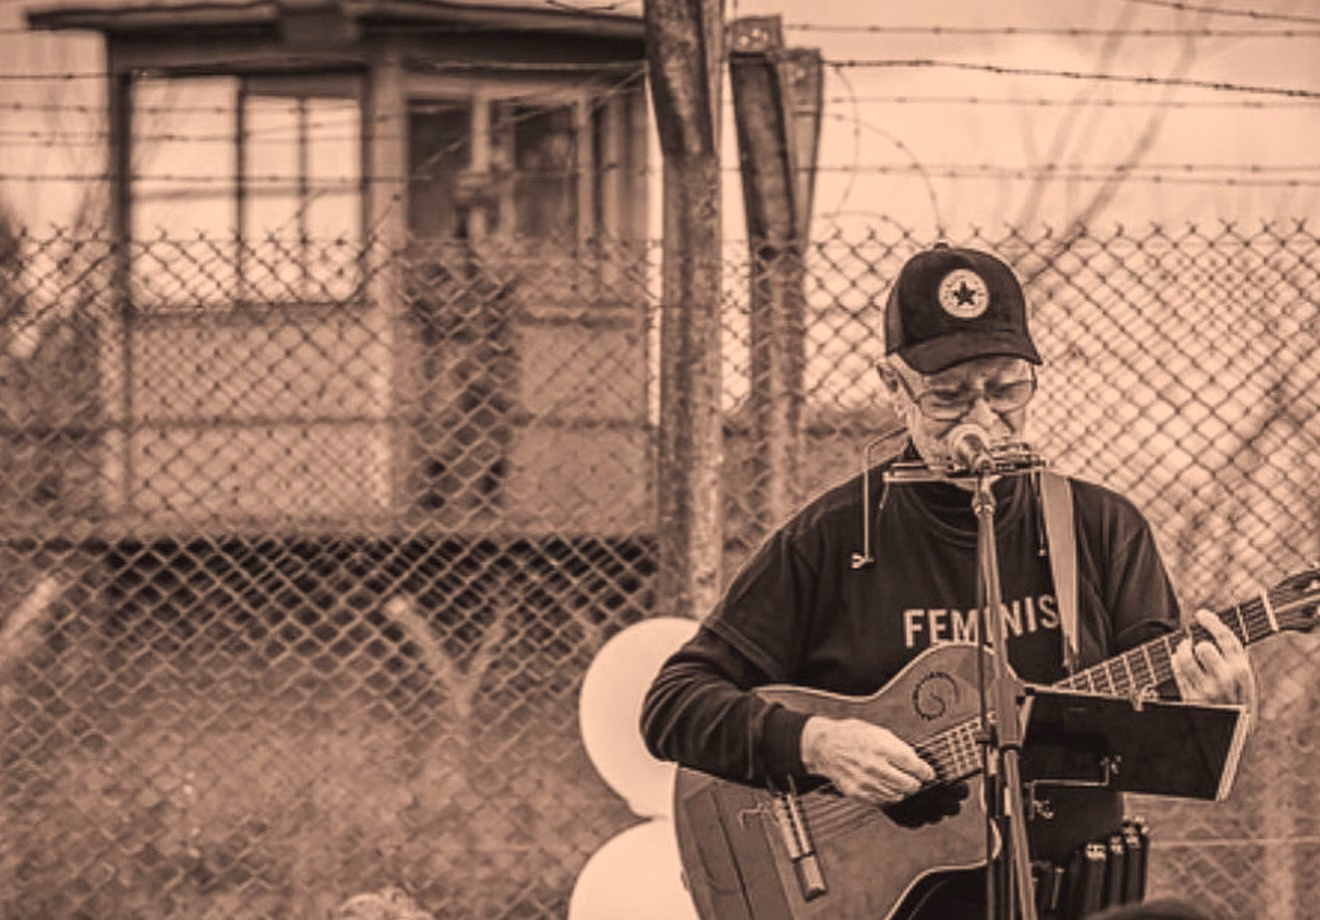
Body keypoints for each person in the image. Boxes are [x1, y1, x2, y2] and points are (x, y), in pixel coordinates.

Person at [640, 244, 1256, 918]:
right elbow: (673, 704)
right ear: (893, 386)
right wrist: (818, 743)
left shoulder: (1099, 526)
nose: (982, 417)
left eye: (1004, 388)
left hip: (1077, 896)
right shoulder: (831, 539)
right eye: (948, 396)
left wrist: (1217, 713)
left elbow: (1155, 743)